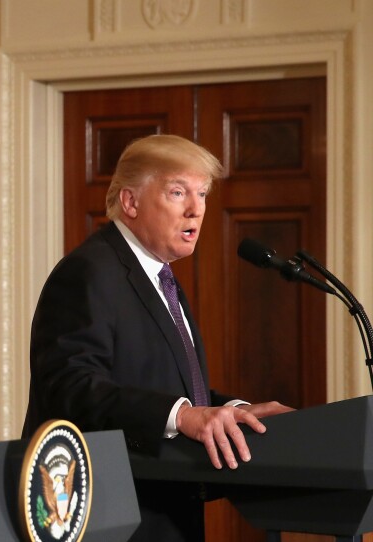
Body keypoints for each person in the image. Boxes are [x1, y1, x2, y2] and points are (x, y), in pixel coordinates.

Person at [22, 134, 292, 541]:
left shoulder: (158, 277)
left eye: (202, 194)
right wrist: (183, 416)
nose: (196, 209)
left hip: (163, 510)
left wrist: (234, 412)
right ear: (130, 202)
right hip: (109, 516)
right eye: (178, 192)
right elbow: (71, 387)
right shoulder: (90, 272)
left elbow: (163, 388)